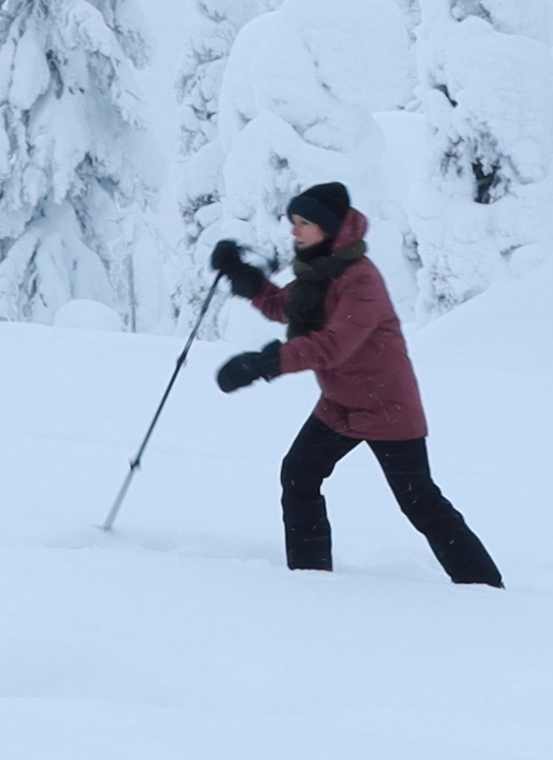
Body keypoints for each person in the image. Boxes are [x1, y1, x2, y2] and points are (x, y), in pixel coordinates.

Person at [209, 180, 505, 585]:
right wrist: (246, 279)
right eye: (294, 221)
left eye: (304, 222)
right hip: (340, 404)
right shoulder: (319, 269)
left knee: (419, 501)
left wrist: (265, 363)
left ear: (328, 227)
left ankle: (484, 587)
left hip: (386, 407)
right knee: (299, 474)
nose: (295, 230)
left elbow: (333, 346)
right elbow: (286, 307)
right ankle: (310, 576)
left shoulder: (360, 279)